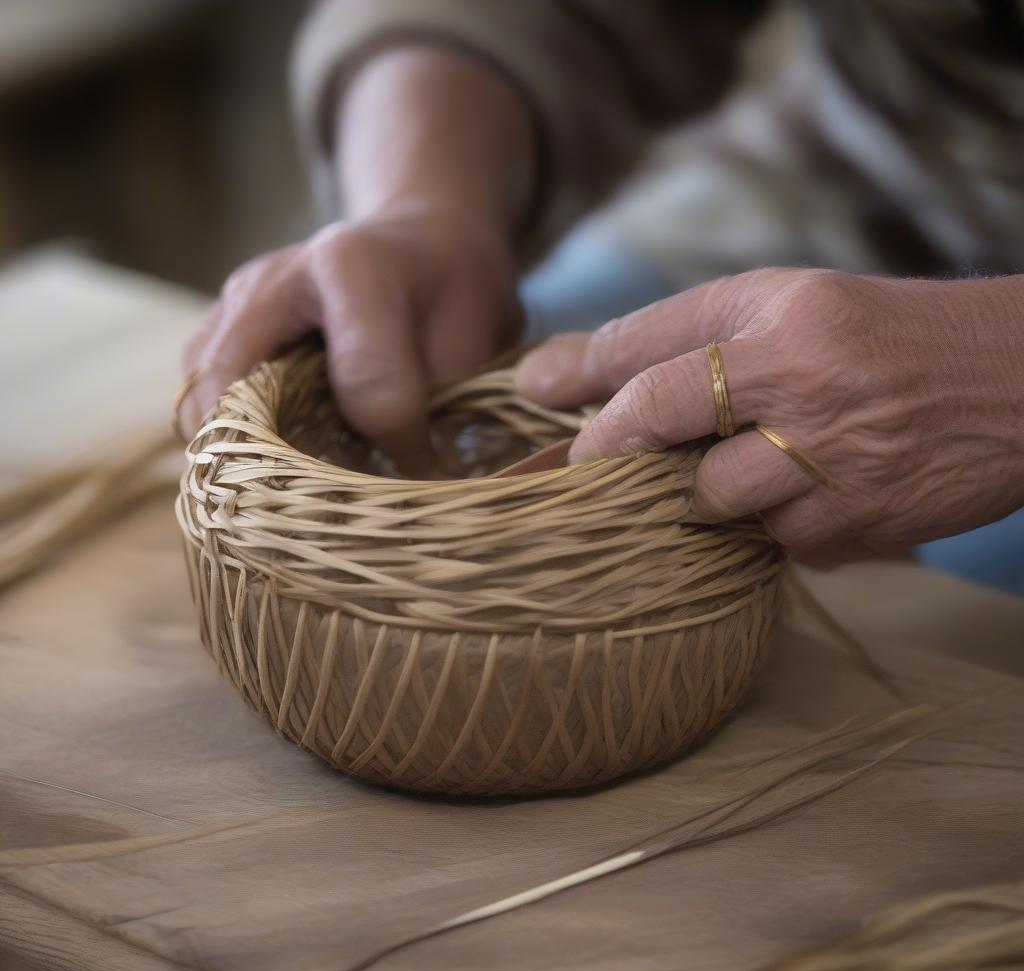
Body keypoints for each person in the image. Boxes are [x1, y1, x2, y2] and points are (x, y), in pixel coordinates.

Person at [178, 1, 1024, 575]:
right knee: (473, 359)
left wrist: (994, 361)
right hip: (876, 171)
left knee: (926, 617)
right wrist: (420, 202)